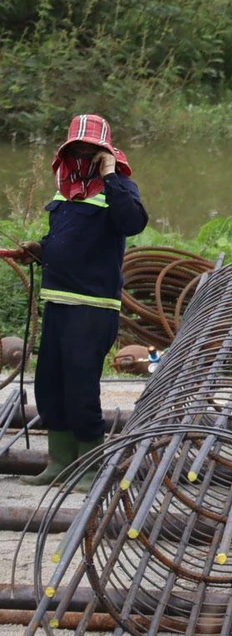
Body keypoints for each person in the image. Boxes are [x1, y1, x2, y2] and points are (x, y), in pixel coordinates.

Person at [13, 114, 148, 490]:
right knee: (49, 382)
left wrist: (109, 175)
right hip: (58, 302)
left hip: (93, 306)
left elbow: (132, 223)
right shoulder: (66, 191)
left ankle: (89, 467)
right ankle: (59, 461)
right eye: (77, 149)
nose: (83, 155)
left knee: (80, 384)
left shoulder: (119, 188)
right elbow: (65, 237)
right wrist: (40, 249)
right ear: (68, 152)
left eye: (92, 150)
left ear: (105, 152)